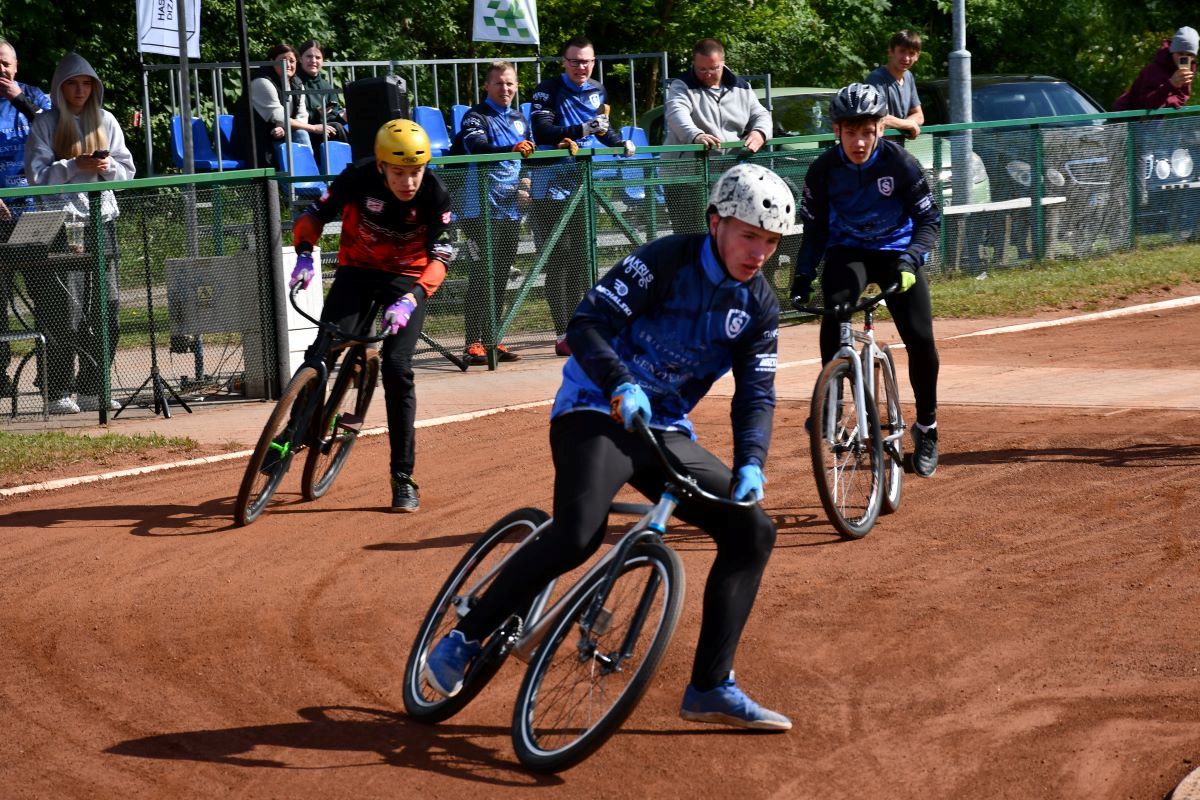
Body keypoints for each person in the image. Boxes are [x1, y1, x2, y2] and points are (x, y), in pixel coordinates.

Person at [423, 162, 797, 732]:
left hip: (663, 429)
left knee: (752, 530)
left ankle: (711, 686)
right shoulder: (666, 260)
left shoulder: (759, 306)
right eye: (750, 235)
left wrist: (752, 462)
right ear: (715, 222)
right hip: (595, 408)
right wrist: (621, 381)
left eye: (771, 242)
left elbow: (756, 395)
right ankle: (465, 636)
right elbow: (587, 324)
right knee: (578, 533)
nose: (759, 252)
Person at [289, 119, 453, 512]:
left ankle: (402, 476)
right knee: (323, 350)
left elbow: (443, 256)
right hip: (358, 271)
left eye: (415, 171)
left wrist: (413, 298)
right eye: (399, 173)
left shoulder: (434, 193)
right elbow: (315, 214)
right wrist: (305, 253)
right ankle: (289, 435)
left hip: (407, 280)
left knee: (398, 369)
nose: (409, 181)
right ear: (381, 166)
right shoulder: (358, 176)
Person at [790, 83, 942, 477]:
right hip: (849, 251)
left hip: (896, 252)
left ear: (880, 129)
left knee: (921, 338)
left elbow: (929, 220)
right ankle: (831, 404)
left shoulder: (900, 164)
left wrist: (911, 260)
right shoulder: (823, 170)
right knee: (835, 310)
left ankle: (927, 427)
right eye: (851, 132)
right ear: (837, 130)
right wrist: (803, 273)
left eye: (868, 132)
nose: (860, 142)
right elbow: (815, 230)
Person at [25, 52, 134, 416]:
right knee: (63, 311)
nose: (80, 90)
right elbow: (37, 178)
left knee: (108, 309)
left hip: (102, 222)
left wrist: (105, 167)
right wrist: (74, 165)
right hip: (61, 224)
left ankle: (94, 387)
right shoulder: (44, 123)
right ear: (60, 87)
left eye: (87, 83)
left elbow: (127, 172)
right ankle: (57, 391)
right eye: (73, 83)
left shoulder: (106, 119)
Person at [528, 35, 636, 357]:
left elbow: (601, 128)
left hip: (582, 185)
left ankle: (582, 328)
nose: (581, 67)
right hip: (549, 188)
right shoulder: (547, 90)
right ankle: (562, 332)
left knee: (581, 259)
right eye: (574, 61)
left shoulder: (598, 89)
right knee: (558, 259)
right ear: (564, 62)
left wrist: (618, 144)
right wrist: (582, 130)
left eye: (586, 61)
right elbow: (542, 132)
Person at [450, 60, 532, 366]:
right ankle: (473, 343)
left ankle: (493, 339)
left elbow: (528, 156)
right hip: (477, 211)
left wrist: (526, 180)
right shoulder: (475, 116)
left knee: (499, 277)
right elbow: (478, 147)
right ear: (487, 85)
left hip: (509, 212)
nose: (505, 88)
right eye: (499, 83)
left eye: (510, 83)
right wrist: (511, 149)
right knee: (481, 275)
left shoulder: (520, 118)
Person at [662, 37, 772, 234]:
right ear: (693, 65)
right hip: (686, 178)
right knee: (693, 235)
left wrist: (760, 132)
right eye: (701, 69)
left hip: (726, 175)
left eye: (713, 68)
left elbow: (761, 114)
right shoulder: (682, 86)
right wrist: (695, 135)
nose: (707, 74)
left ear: (723, 63)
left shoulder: (742, 87)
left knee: (725, 234)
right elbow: (676, 114)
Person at [0, 38, 51, 396]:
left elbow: (58, 133)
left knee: (49, 298)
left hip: (36, 215)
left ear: (15, 66)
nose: (0, 70)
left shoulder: (35, 97)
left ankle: (50, 373)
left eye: (5, 63)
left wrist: (19, 96)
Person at [230, 44, 333, 168]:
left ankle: (309, 179)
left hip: (280, 133)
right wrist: (313, 128)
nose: (288, 65)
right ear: (271, 61)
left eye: (292, 61)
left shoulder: (297, 83)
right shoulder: (261, 82)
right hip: (255, 140)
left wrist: (285, 130)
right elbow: (280, 117)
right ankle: (297, 183)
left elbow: (302, 115)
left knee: (304, 133)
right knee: (304, 133)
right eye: (283, 60)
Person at [1112, 26, 1196, 111]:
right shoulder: (1155, 68)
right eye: (1180, 53)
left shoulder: (1187, 69)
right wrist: (1171, 84)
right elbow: (1148, 103)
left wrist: (1165, 103)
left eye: (1190, 55)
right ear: (1172, 51)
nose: (1184, 58)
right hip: (1126, 114)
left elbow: (1181, 98)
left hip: (1153, 117)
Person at [864, 29, 925, 140]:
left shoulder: (908, 76)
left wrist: (905, 124)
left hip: (897, 149)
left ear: (917, 56)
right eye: (902, 51)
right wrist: (909, 125)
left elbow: (919, 115)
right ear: (891, 52)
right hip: (876, 149)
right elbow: (878, 117)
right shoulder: (876, 79)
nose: (906, 58)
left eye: (911, 53)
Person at [296, 40, 348, 149]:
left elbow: (333, 117)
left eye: (318, 58)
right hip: (305, 130)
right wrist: (317, 114)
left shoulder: (326, 85)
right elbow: (293, 115)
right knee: (336, 128)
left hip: (326, 130)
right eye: (309, 56)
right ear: (300, 59)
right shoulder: (294, 83)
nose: (313, 61)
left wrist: (342, 117)